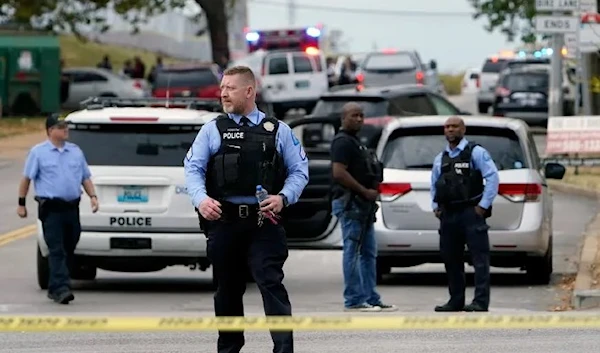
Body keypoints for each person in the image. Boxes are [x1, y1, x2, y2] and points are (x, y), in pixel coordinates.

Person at [183, 65, 308, 353]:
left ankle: (283, 349)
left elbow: (299, 171)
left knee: (271, 284)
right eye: (222, 87)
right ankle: (229, 348)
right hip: (225, 223)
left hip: (264, 222)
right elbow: (193, 169)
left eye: (230, 88)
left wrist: (283, 197)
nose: (223, 93)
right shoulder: (212, 130)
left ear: (249, 91)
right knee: (227, 290)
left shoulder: (278, 131)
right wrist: (201, 200)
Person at [16, 114, 99, 304]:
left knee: (70, 244)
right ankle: (61, 288)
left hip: (71, 208)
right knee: (56, 249)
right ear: (50, 131)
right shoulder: (38, 152)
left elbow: (85, 177)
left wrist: (93, 196)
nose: (65, 130)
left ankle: (55, 286)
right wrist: (21, 204)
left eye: (66, 126)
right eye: (61, 127)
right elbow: (26, 178)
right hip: (51, 209)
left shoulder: (75, 152)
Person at [330, 102, 397, 312]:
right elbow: (338, 172)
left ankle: (371, 298)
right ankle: (354, 300)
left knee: (369, 253)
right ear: (344, 118)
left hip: (363, 206)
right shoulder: (342, 142)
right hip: (351, 204)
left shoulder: (356, 141)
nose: (359, 119)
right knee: (353, 251)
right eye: (354, 115)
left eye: (361, 115)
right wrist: (363, 190)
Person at [430, 116, 499, 312]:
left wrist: (483, 206)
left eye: (454, 126)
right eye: (447, 127)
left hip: (471, 212)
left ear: (463, 129)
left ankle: (480, 301)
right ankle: (455, 300)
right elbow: (434, 183)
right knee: (451, 259)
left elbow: (492, 178)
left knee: (479, 259)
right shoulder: (441, 157)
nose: (450, 130)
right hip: (448, 214)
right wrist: (435, 206)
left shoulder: (476, 153)